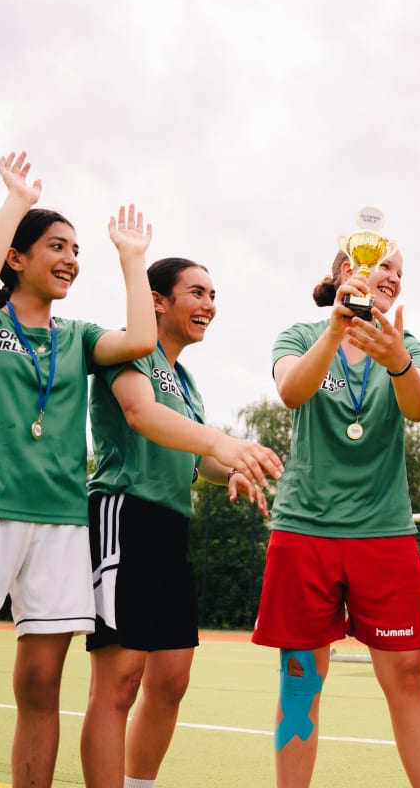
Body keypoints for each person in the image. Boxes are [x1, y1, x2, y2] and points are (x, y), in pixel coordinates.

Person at [0, 151, 157, 787]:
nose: (72, 258)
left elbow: (140, 340)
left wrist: (131, 258)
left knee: (44, 681)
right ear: (17, 259)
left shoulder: (77, 337)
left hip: (59, 523)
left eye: (77, 249)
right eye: (56, 245)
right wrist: (16, 201)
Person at [80, 256, 284, 788]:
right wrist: (224, 442)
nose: (209, 306)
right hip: (124, 516)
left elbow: (201, 460)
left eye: (213, 295)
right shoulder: (130, 350)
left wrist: (232, 467)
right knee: (119, 683)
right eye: (197, 292)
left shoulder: (186, 380)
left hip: (172, 528)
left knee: (170, 682)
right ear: (157, 301)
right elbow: (141, 415)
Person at [252, 246, 420, 787]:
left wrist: (397, 360)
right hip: (304, 530)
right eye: (383, 264)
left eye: (399, 272)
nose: (392, 277)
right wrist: (336, 330)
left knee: (407, 677)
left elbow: (418, 407)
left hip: (383, 532)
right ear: (347, 270)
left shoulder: (407, 345)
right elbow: (291, 391)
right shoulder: (299, 335)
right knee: (300, 679)